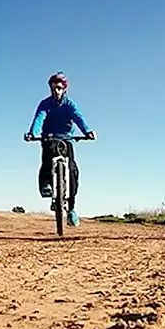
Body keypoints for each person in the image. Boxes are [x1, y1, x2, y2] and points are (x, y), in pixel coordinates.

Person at [24, 72, 96, 227]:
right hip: (49, 137)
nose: (56, 91)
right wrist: (33, 133)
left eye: (59, 88)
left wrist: (87, 131)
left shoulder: (69, 105)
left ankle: (71, 209)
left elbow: (78, 118)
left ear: (64, 89)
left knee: (72, 170)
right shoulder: (45, 104)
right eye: (53, 88)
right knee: (46, 161)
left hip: (67, 139)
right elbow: (39, 118)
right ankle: (45, 185)